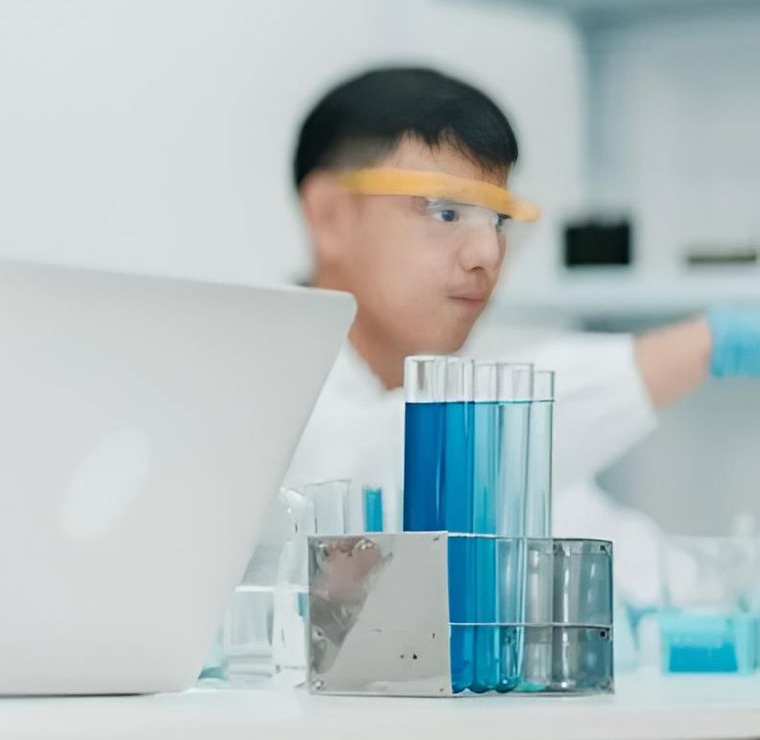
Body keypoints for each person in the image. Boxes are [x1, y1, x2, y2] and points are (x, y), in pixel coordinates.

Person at [286, 65, 760, 603]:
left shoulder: (495, 448)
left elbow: (649, 573)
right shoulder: (260, 387)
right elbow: (387, 465)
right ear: (329, 215)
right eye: (445, 212)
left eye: (500, 222)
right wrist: (702, 346)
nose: (487, 255)